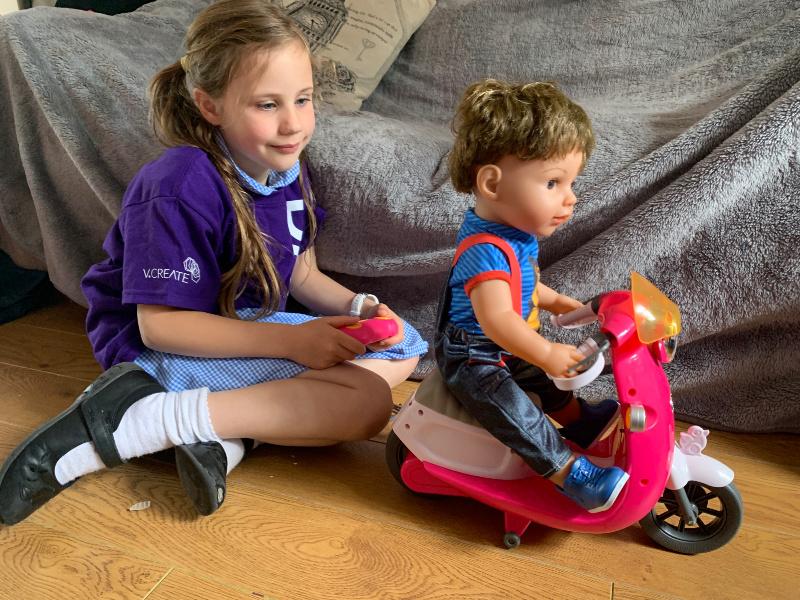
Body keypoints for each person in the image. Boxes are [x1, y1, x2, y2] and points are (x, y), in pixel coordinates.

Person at [0, 0, 427, 526]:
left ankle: (223, 437)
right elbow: (159, 327)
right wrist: (295, 341)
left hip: (241, 330)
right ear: (210, 106)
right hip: (158, 350)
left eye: (302, 99)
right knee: (364, 407)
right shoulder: (178, 184)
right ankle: (140, 417)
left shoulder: (285, 168)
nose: (293, 123)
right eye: (267, 105)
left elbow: (300, 273)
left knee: (404, 344)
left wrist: (360, 307)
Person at [436, 79, 628, 513]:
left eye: (571, 183)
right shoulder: (485, 250)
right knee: (514, 408)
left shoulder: (516, 237)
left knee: (543, 381)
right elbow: (496, 320)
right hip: (473, 356)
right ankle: (570, 474)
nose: (571, 198)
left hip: (504, 343)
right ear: (492, 183)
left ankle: (580, 421)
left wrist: (558, 302)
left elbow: (523, 284)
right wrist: (544, 351)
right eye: (553, 183)